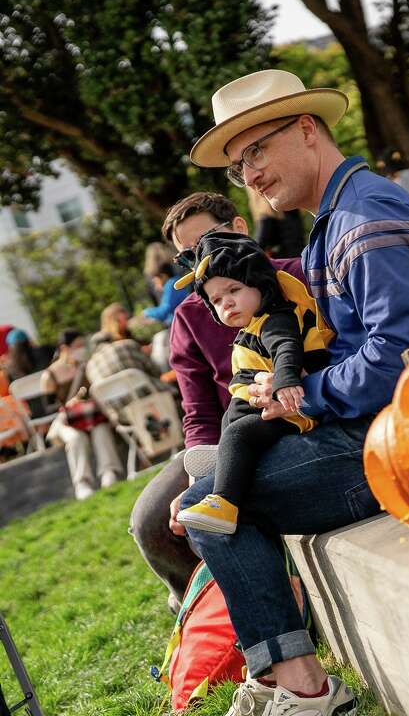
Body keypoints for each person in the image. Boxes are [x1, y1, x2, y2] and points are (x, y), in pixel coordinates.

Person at [179, 68, 409, 714]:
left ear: (307, 129)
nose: (249, 175)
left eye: (257, 151)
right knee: (208, 497)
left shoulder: (363, 216)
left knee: (211, 505)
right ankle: (284, 677)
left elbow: (403, 360)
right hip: (384, 428)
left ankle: (304, 688)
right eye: (237, 166)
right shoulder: (335, 218)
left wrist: (301, 398)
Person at [129, 192, 307, 617]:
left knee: (221, 495)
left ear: (240, 228)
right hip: (224, 432)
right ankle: (212, 612)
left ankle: (282, 609)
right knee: (150, 520)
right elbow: (199, 413)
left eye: (209, 238)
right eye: (189, 256)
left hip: (287, 419)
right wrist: (197, 471)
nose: (204, 257)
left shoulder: (294, 276)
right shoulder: (190, 316)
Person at [175, 232, 331, 535]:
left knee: (238, 433)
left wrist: (286, 379)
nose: (227, 303)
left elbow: (287, 348)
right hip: (264, 405)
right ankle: (222, 462)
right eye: (217, 300)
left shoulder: (275, 318)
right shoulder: (252, 326)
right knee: (232, 425)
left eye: (234, 289)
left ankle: (225, 503)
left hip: (291, 409)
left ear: (259, 283)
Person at [40, 330, 123, 499]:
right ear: (65, 348)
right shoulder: (49, 375)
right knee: (76, 438)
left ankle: (109, 473)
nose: (82, 349)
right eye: (78, 346)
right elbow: (47, 410)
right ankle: (82, 483)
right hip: (64, 421)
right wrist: (68, 405)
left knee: (101, 429)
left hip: (89, 416)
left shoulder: (86, 366)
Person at [249, 188, 307, 260]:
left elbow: (257, 248)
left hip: (287, 264)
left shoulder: (267, 218)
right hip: (300, 260)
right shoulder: (293, 210)